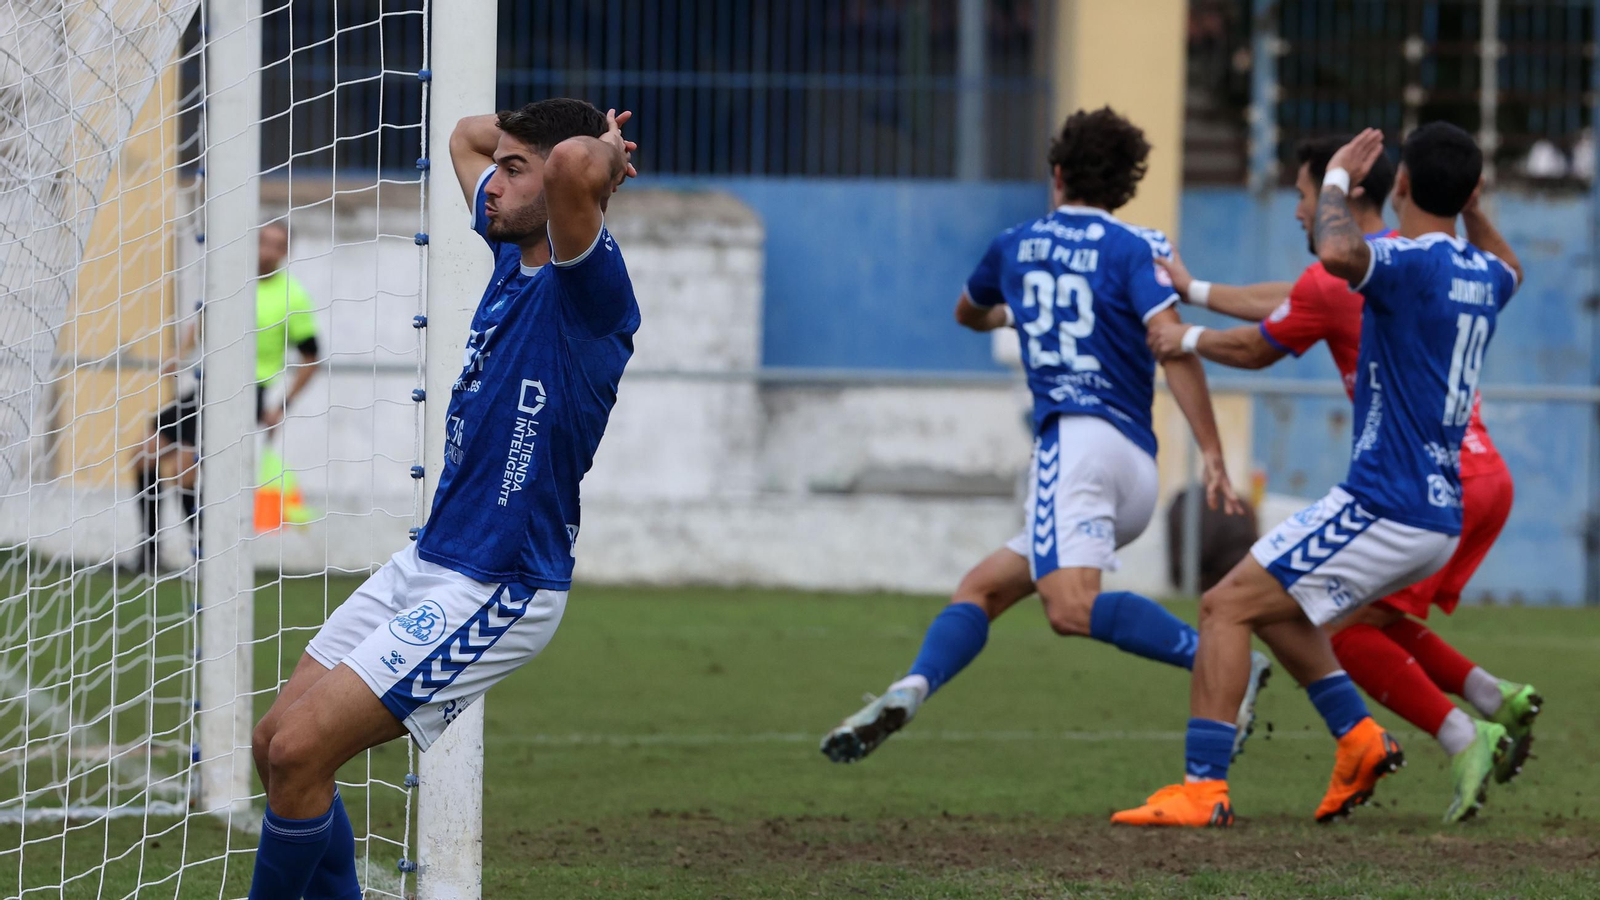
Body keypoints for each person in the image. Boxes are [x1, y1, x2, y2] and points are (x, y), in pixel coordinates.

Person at [244, 98, 641, 899]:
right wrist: (535, 147)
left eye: (516, 171)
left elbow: (571, 170)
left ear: (565, 188)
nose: (491, 183)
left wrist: (597, 153)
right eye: (499, 169)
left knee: (298, 754)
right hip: (429, 560)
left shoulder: (588, 291)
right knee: (275, 744)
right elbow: (465, 134)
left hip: (500, 584)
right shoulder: (509, 259)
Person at [820, 106, 1268, 766]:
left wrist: (1017, 308)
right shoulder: (1136, 247)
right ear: (1124, 187)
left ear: (1056, 173)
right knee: (984, 587)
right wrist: (1211, 454)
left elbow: (968, 313)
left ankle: (1223, 659)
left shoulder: (1016, 245)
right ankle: (908, 689)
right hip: (1136, 465)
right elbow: (1174, 349)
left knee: (1068, 608)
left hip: (1076, 449)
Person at [1114, 124, 1523, 828]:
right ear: (1468, 195)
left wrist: (1335, 174)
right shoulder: (1482, 274)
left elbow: (1335, 256)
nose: (1305, 207)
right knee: (1281, 610)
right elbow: (1508, 265)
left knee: (1223, 606)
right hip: (1436, 508)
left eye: (1304, 197)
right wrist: (1472, 207)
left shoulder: (1406, 262)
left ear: (1397, 187)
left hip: (1384, 501)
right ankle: (1362, 738)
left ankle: (1201, 789)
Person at [131, 221, 322, 572]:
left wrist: (282, 406)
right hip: (208, 387)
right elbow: (202, 320)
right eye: (262, 240)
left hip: (249, 392)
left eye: (275, 244)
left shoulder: (293, 297)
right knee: (145, 453)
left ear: (284, 253)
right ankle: (148, 553)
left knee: (185, 466)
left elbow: (312, 358)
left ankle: (207, 557)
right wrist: (179, 353)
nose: (266, 249)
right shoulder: (232, 281)